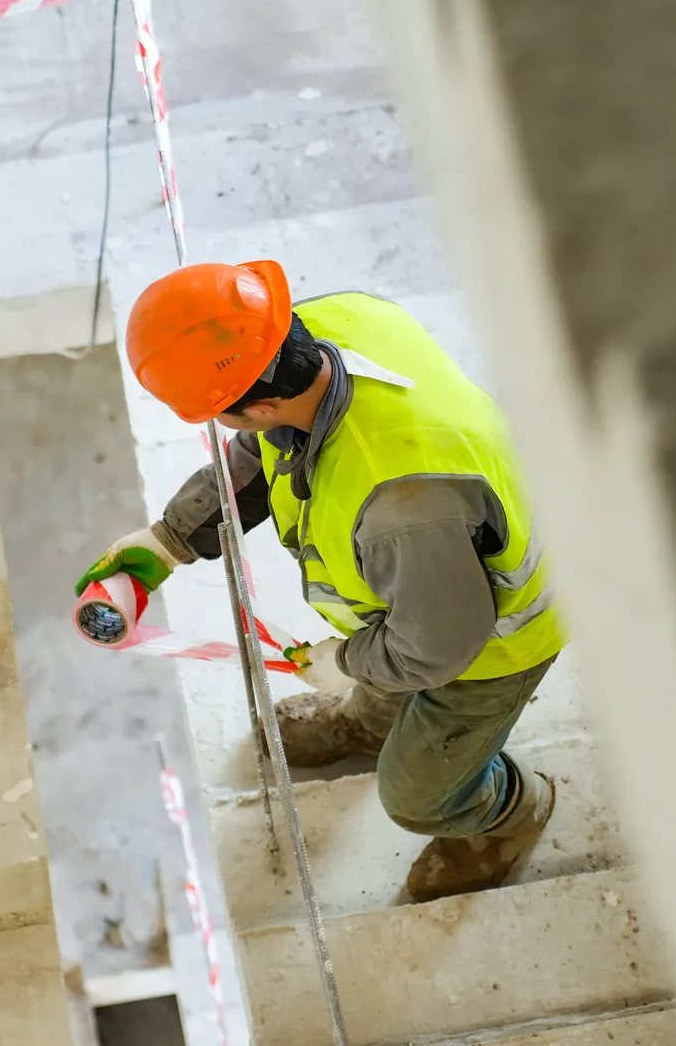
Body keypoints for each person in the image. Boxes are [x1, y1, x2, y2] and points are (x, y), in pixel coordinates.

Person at [75, 259, 565, 902]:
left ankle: (508, 815)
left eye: (223, 413)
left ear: (261, 405)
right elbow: (261, 450)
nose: (226, 426)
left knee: (416, 795)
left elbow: (436, 647)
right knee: (385, 662)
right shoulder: (321, 327)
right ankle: (372, 723)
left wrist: (346, 660)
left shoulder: (401, 503)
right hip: (422, 591)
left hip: (498, 641)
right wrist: (171, 538)